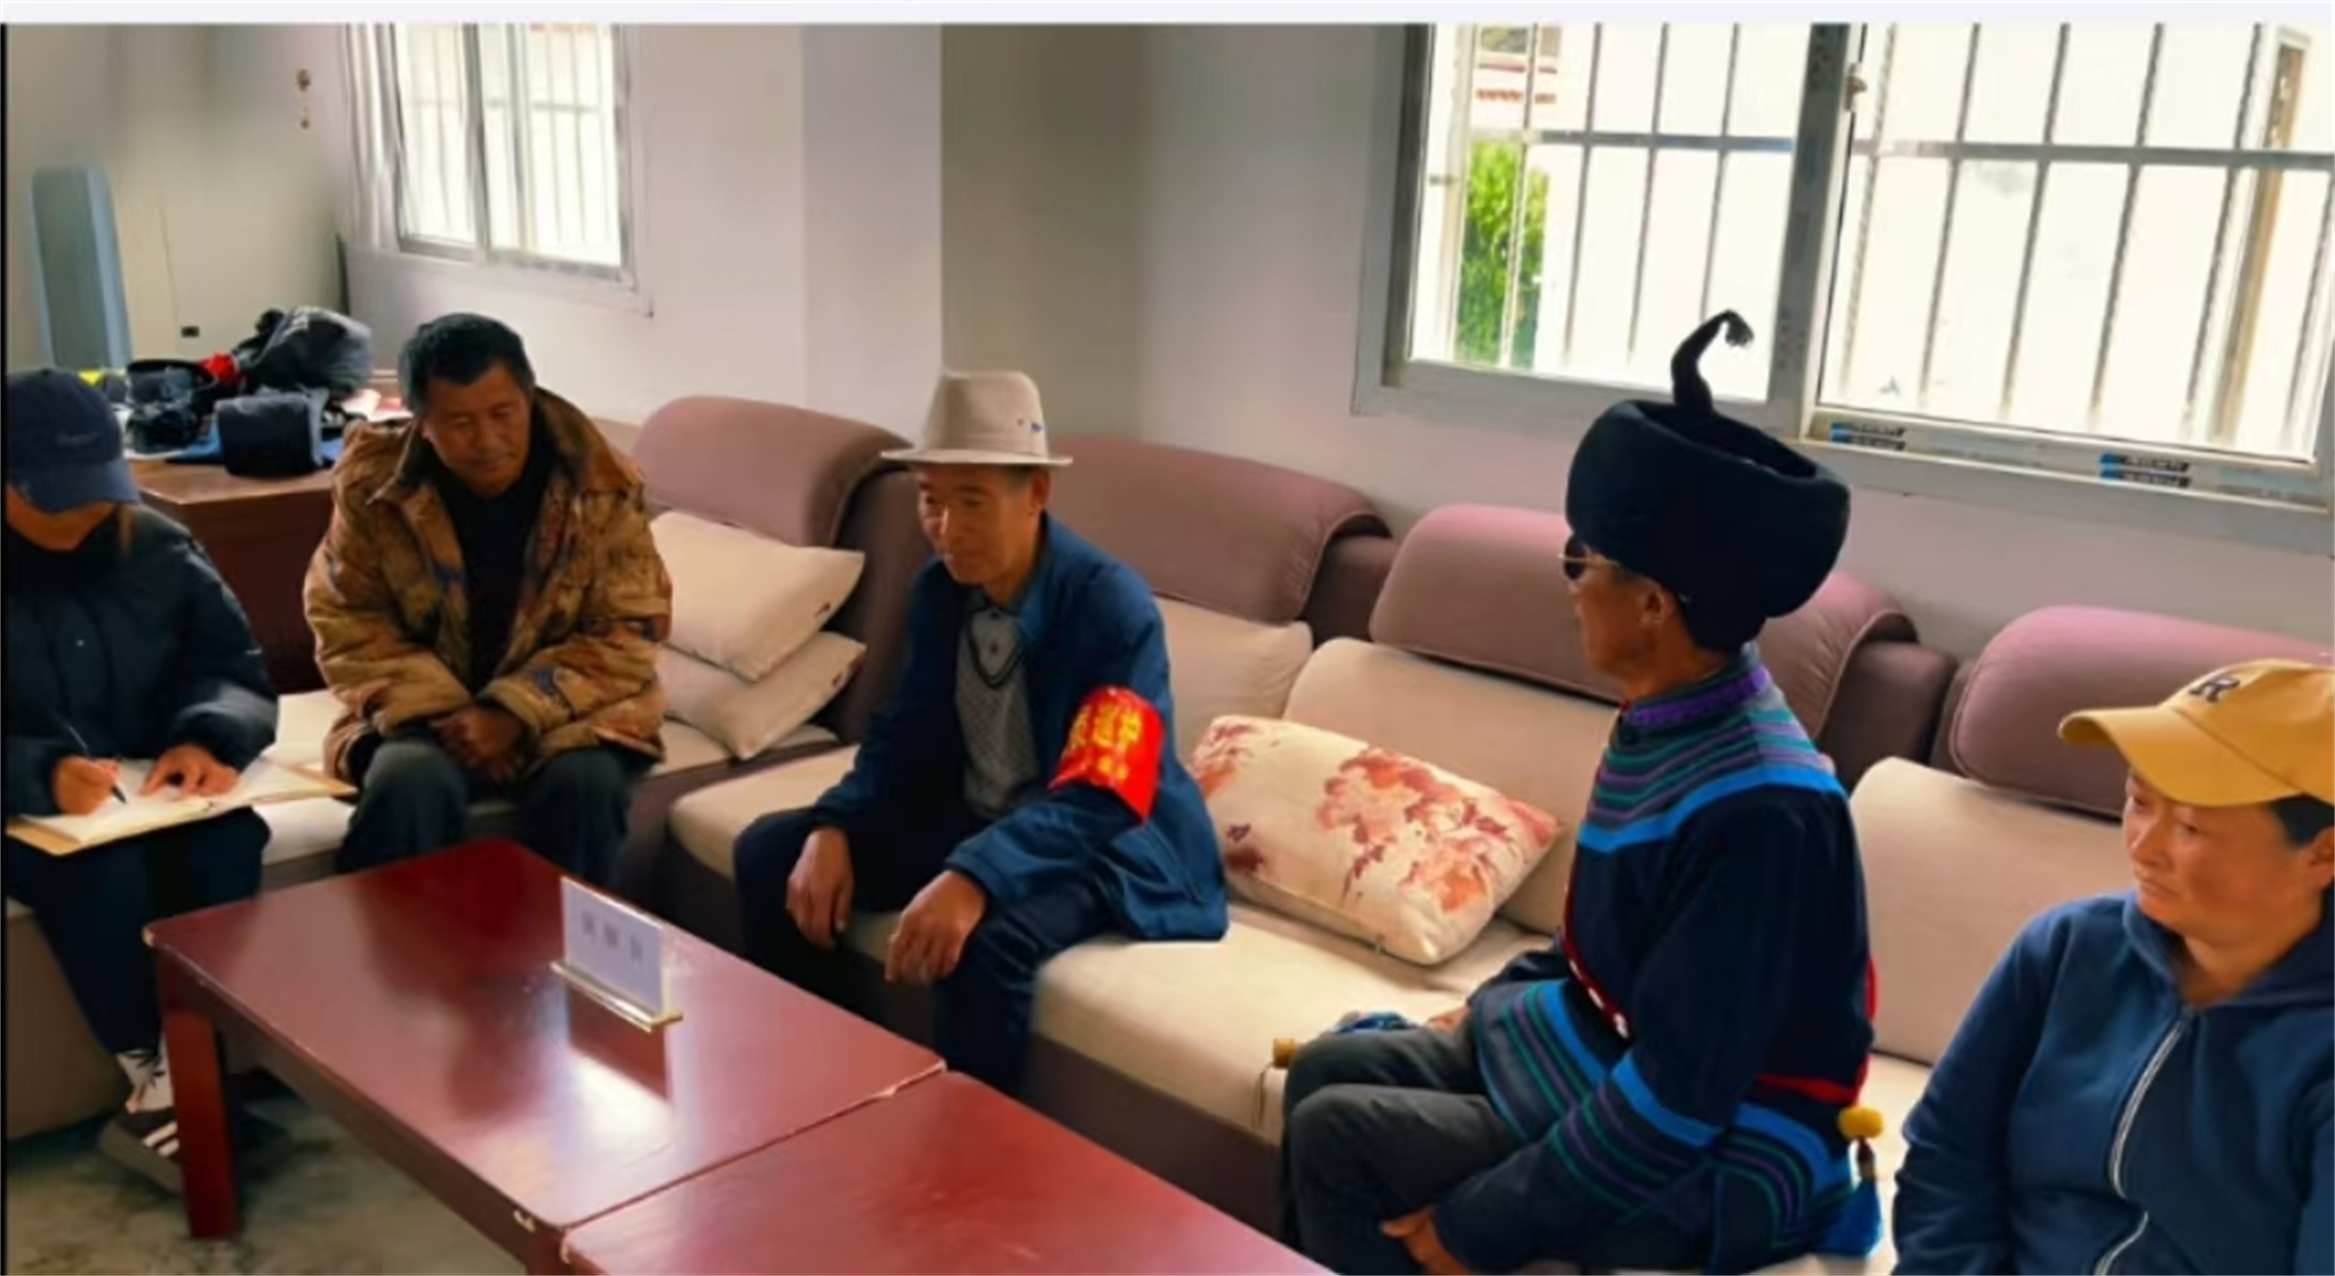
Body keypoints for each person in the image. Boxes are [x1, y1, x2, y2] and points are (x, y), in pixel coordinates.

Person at [1279, 313, 1885, 1276]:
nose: (1567, 583)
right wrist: (1487, 1009)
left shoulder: (1765, 811)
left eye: (1582, 559)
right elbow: (1609, 949)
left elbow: (1682, 1096)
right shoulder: (1667, 718)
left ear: (1653, 603)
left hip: (1727, 1144)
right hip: (1608, 1056)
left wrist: (1480, 1225)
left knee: (1339, 1138)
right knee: (1323, 1070)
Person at [731, 369, 1225, 1092]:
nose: (946, 527)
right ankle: (830, 1088)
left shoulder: (1110, 607)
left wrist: (974, 875)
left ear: (1036, 494)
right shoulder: (939, 591)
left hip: (1109, 844)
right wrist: (834, 824)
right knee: (772, 852)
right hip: (985, 814)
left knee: (987, 944)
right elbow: (903, 732)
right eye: (930, 500)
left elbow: (1102, 794)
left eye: (972, 501)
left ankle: (968, 1151)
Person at [1893, 659, 2333, 1276]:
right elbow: (1946, 1155)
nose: (2143, 846)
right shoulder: (2068, 948)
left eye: (2190, 826)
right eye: (2138, 801)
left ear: (2323, 853)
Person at [2, 368, 278, 1190]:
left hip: (146, 788)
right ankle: (170, 1085)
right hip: (28, 813)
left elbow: (231, 666)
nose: (87, 516)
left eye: (99, 494)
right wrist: (39, 774)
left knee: (229, 842)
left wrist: (208, 735)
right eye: (59, 500)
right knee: (102, 873)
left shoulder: (156, 545)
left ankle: (169, 1095)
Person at [305, 313, 671, 886]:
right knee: (409, 782)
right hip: (421, 709)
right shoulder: (373, 487)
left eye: (504, 414)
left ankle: (559, 943)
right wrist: (458, 720)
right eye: (460, 423)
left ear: (530, 397)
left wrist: (513, 711)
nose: (489, 440)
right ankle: (400, 944)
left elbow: (628, 627)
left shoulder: (600, 484)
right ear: (420, 422)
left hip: (567, 712)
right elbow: (347, 616)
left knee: (586, 788)